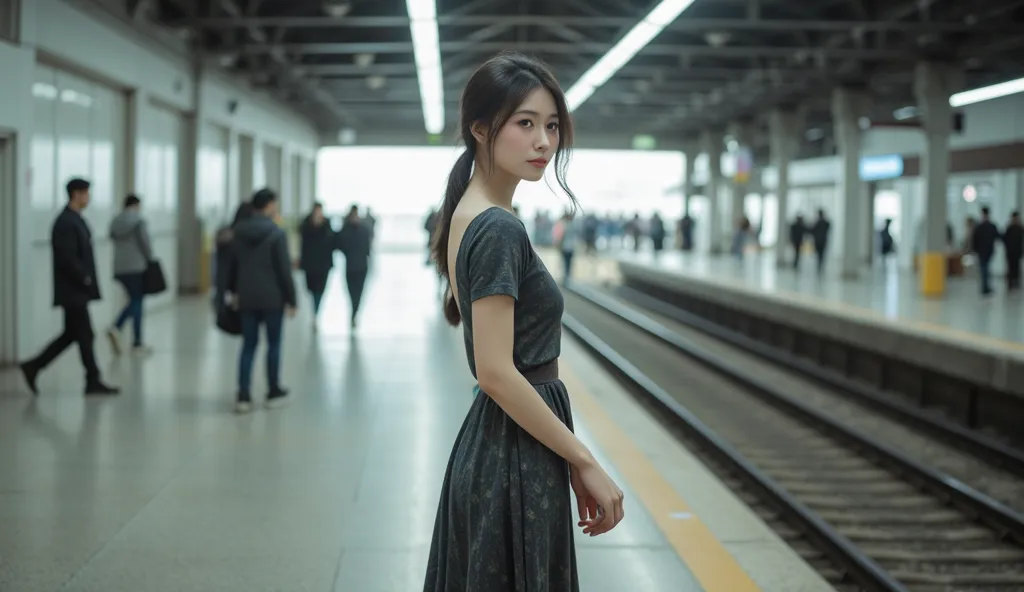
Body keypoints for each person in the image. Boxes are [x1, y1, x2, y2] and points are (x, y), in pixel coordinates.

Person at [423, 51, 625, 592]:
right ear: (481, 129)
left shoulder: (470, 212)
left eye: (552, 126)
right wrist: (586, 460)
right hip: (513, 449)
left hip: (504, 439)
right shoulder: (497, 228)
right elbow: (494, 370)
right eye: (526, 123)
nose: (544, 142)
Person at [19, 178, 119, 396]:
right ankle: (92, 379)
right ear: (76, 194)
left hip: (77, 290)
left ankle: (34, 366)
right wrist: (84, 278)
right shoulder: (65, 222)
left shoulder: (74, 219)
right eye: (86, 193)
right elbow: (67, 257)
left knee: (74, 334)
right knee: (84, 334)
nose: (88, 198)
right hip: (72, 290)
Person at [225, 188, 296, 413]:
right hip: (272, 298)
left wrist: (233, 292)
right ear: (268, 206)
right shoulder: (276, 233)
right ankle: (273, 391)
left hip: (246, 296)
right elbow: (284, 269)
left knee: (248, 345)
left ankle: (244, 395)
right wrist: (292, 299)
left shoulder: (238, 232)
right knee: (273, 344)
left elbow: (232, 267)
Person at [106, 194, 154, 355]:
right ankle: (134, 340)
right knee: (137, 301)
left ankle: (121, 331)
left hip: (120, 268)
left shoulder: (115, 221)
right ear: (135, 205)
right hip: (136, 267)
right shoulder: (139, 221)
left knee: (134, 300)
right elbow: (145, 244)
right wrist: (150, 260)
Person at [298, 202, 336, 323]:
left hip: (323, 264)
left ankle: (316, 313)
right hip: (310, 264)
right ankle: (315, 310)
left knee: (320, 290)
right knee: (311, 289)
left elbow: (333, 241)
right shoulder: (305, 225)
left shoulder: (327, 225)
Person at [336, 204, 373, 328]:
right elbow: (339, 244)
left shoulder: (364, 229)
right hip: (351, 267)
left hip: (361, 266)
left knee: (359, 292)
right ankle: (353, 312)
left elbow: (367, 247)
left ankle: (354, 313)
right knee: (352, 292)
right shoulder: (346, 229)